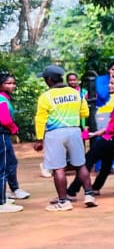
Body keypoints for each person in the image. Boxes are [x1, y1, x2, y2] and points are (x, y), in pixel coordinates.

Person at [67, 75, 114, 201]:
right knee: (107, 159)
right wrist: (100, 132)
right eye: (109, 83)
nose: (109, 85)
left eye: (113, 83)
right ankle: (95, 187)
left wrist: (105, 132)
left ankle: (72, 191)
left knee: (88, 159)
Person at [33, 65, 93, 211]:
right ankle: (89, 195)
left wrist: (40, 139)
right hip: (74, 131)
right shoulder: (75, 93)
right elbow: (85, 113)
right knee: (80, 165)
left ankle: (63, 201)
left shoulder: (45, 97)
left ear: (49, 80)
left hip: (55, 133)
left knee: (58, 168)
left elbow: (41, 119)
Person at [0, 73, 23, 212]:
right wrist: (14, 128)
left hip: (3, 133)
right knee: (3, 167)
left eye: (13, 83)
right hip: (2, 133)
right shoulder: (1, 99)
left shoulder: (5, 98)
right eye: (8, 83)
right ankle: (1, 202)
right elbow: (4, 119)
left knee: (8, 163)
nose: (12, 85)